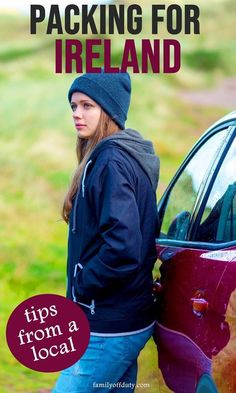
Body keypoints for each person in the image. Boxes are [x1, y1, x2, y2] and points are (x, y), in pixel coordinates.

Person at [52, 70, 160, 392]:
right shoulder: (120, 156)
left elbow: (123, 246)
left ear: (109, 111)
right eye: (74, 105)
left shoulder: (111, 160)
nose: (77, 114)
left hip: (108, 323)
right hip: (126, 317)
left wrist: (84, 284)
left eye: (87, 106)